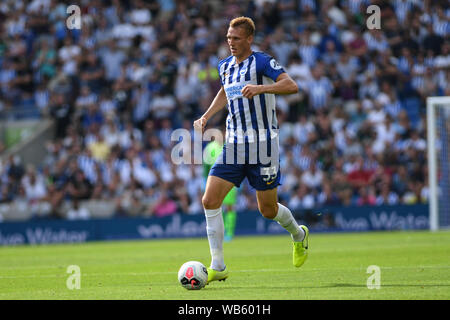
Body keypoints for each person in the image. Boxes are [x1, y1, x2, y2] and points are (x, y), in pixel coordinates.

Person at [193, 16, 309, 285]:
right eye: (228, 38)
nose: (230, 42)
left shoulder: (262, 62)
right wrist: (206, 116)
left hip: (264, 146)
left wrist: (261, 88)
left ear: (249, 39)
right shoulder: (224, 66)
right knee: (209, 200)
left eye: (235, 38)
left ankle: (299, 235)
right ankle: (218, 265)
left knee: (267, 210)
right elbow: (225, 92)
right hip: (233, 145)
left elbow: (291, 85)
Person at [203, 133, 238, 242]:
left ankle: (230, 233)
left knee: (229, 206)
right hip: (214, 181)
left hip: (230, 180)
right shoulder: (209, 148)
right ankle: (219, 232)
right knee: (216, 206)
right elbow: (206, 166)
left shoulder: (230, 146)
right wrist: (205, 180)